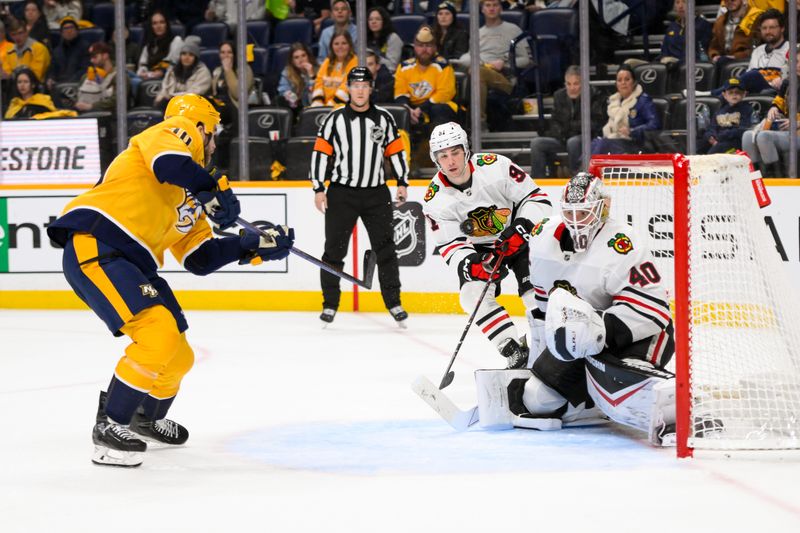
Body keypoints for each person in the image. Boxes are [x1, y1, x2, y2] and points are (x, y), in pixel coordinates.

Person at [46, 93, 295, 467]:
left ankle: (145, 417)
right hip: (97, 242)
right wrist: (209, 187)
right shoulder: (172, 132)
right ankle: (111, 427)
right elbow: (171, 163)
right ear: (199, 126)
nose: (213, 143)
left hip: (131, 260)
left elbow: (201, 258)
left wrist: (252, 244)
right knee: (157, 332)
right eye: (212, 133)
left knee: (179, 354)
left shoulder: (186, 196)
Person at [472, 173, 678, 445]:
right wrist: (536, 363)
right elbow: (544, 313)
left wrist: (600, 330)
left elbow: (655, 309)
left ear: (603, 208)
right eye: (571, 213)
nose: (577, 221)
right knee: (537, 399)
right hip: (578, 337)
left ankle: (681, 403)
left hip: (638, 334)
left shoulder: (621, 243)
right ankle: (593, 405)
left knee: (615, 391)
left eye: (584, 213)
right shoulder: (543, 238)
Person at [422, 122, 552, 367]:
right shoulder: (435, 198)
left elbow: (537, 198)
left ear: (466, 150)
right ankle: (514, 350)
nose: (451, 161)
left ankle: (550, 347)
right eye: (443, 156)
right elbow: (450, 244)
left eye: (455, 152)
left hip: (519, 237)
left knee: (534, 293)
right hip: (481, 250)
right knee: (471, 296)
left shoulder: (495, 166)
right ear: (435, 159)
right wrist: (472, 265)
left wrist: (522, 227)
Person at [309, 67, 409, 326]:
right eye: (355, 85)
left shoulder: (385, 118)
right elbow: (321, 153)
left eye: (365, 85)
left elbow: (395, 151)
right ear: (349, 88)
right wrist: (319, 187)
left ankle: (394, 302)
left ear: (371, 88)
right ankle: (330, 304)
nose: (360, 90)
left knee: (386, 249)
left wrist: (402, 182)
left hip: (376, 193)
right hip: (342, 193)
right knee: (333, 251)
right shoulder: (335, 119)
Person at [454, 0, 531, 131]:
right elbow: (468, 56)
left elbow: (527, 60)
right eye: (488, 5)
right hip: (481, 71)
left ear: (501, 8)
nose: (491, 8)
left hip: (505, 78)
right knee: (465, 71)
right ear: (482, 9)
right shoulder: (477, 33)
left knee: (477, 72)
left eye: (495, 5)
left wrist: (505, 63)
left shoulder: (513, 29)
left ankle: (478, 123)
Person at [529, 65, 606, 178]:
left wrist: (569, 128)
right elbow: (555, 121)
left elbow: (595, 123)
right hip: (563, 138)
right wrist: (561, 132)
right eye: (568, 84)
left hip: (586, 139)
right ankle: (537, 181)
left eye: (576, 84)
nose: (572, 88)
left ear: (583, 83)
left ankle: (578, 178)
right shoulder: (559, 95)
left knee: (573, 142)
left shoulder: (594, 95)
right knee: (537, 143)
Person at [742, 47, 800, 178]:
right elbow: (779, 101)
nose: (798, 65)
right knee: (747, 136)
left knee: (764, 137)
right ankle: (755, 178)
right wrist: (774, 108)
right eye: (795, 62)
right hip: (788, 129)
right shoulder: (788, 82)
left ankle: (775, 179)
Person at [394, 26, 457, 130]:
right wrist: (407, 110)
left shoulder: (443, 66)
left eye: (428, 45)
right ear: (414, 47)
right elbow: (400, 93)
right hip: (413, 108)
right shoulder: (404, 67)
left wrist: (421, 109)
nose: (424, 49)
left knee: (438, 109)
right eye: (420, 45)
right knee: (400, 112)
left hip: (438, 106)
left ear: (435, 47)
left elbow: (445, 94)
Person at [590, 65, 661, 156]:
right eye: (619, 80)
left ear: (634, 82)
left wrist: (632, 131)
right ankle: (579, 169)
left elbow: (655, 124)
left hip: (636, 143)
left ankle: (587, 169)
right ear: (616, 84)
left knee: (603, 144)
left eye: (627, 79)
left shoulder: (643, 100)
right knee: (595, 143)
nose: (623, 83)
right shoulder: (613, 102)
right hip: (616, 141)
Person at [730, 9, 788, 95]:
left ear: (782, 28)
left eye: (772, 28)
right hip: (754, 91)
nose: (768, 32)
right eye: (764, 28)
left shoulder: (793, 48)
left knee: (753, 75)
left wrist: (783, 79)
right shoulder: (757, 51)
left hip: (777, 92)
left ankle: (714, 94)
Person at [708, 0, 762, 79]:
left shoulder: (755, 17)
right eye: (726, 0)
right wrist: (715, 55)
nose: (730, 1)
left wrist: (736, 57)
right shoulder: (720, 21)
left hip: (747, 62)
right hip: (723, 63)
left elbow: (759, 47)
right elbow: (713, 46)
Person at [154, 36, 212, 108]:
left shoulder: (203, 72)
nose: (186, 57)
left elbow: (195, 93)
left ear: (196, 58)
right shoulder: (172, 70)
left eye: (191, 55)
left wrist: (173, 97)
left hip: (192, 105)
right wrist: (160, 98)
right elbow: (165, 88)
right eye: (184, 54)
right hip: (172, 102)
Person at [74, 41, 129, 114]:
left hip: (110, 117)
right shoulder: (85, 77)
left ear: (105, 56)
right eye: (90, 57)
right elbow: (77, 95)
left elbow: (118, 100)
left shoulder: (119, 76)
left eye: (95, 57)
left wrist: (92, 106)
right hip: (84, 115)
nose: (91, 60)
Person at [702, 77, 754, 154]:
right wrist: (710, 136)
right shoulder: (720, 111)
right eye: (730, 92)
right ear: (724, 95)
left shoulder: (747, 109)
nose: (734, 95)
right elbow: (711, 127)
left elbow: (745, 129)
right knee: (700, 145)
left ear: (744, 94)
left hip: (736, 144)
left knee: (714, 153)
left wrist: (724, 135)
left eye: (738, 92)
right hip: (718, 142)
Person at [310, 28, 357, 107]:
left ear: (350, 45)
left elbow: (347, 88)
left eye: (344, 43)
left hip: (344, 107)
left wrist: (328, 107)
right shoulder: (327, 61)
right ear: (332, 46)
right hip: (324, 107)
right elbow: (319, 82)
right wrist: (317, 103)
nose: (340, 47)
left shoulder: (355, 62)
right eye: (336, 44)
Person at [137, 9, 183, 82]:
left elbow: (173, 62)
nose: (158, 26)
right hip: (148, 77)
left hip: (167, 78)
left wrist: (161, 71)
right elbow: (143, 64)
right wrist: (143, 72)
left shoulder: (176, 41)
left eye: (162, 22)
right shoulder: (149, 44)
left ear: (167, 24)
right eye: (155, 23)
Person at [46, 17, 90, 91]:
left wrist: (69, 82)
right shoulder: (57, 51)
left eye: (71, 28)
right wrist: (50, 78)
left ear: (77, 31)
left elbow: (85, 69)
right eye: (65, 29)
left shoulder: (85, 47)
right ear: (61, 33)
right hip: (58, 86)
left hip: (78, 85)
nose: (69, 31)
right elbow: (52, 69)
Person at [1, 17, 51, 82]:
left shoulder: (39, 49)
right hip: (14, 87)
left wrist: (12, 76)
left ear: (26, 32)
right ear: (10, 36)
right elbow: (6, 75)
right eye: (14, 34)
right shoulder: (9, 52)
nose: (17, 37)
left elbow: (35, 76)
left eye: (20, 33)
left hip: (36, 88)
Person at [277, 41, 318, 112]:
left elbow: (317, 94)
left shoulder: (318, 70)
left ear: (308, 56)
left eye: (303, 55)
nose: (301, 60)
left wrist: (312, 76)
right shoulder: (287, 72)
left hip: (314, 106)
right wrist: (293, 98)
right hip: (296, 107)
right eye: (296, 57)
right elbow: (283, 91)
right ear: (292, 61)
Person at [366, 7, 402, 73]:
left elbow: (392, 67)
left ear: (384, 21)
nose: (373, 22)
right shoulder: (365, 38)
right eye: (370, 19)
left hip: (388, 76)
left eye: (378, 19)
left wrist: (375, 58)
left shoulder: (393, 38)